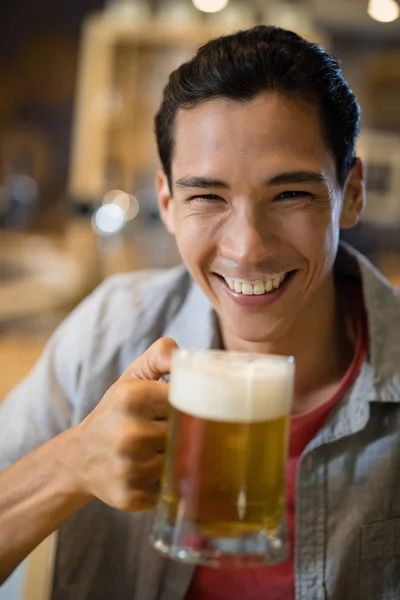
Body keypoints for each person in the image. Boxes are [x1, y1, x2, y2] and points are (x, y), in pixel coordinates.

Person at [1, 24, 400, 600]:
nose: (246, 248)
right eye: (207, 197)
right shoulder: (109, 332)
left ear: (352, 193)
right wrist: (71, 464)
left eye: (290, 194)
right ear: (167, 203)